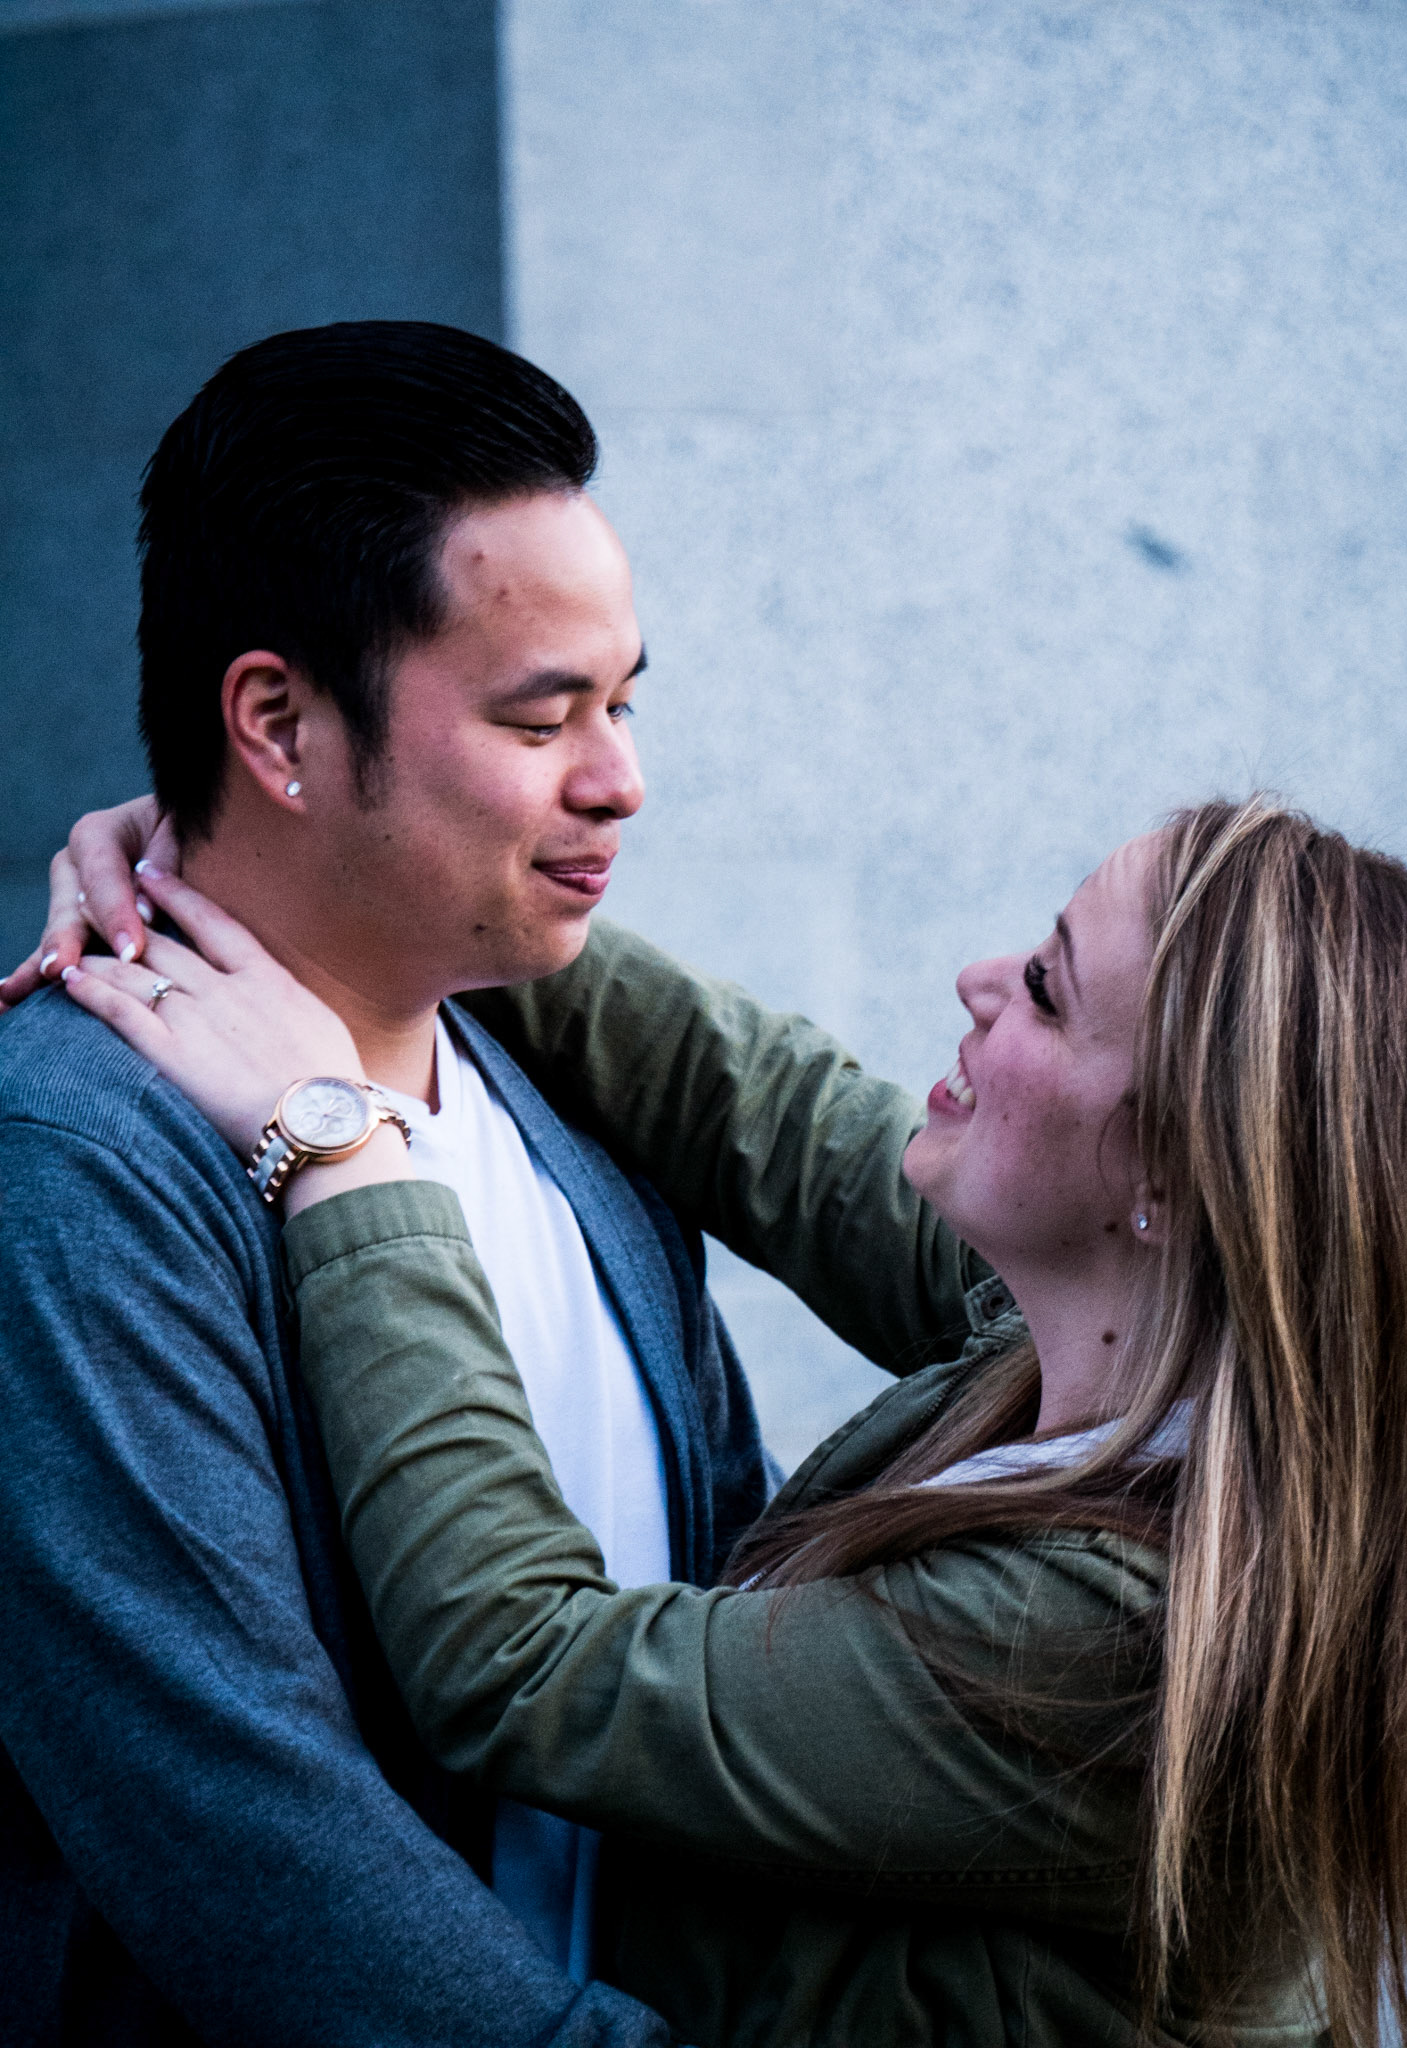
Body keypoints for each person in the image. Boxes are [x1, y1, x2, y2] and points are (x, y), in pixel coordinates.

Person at [44, 797, 1407, 2046]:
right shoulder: (1141, 1354)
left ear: (1164, 1181)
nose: (977, 978)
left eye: (1045, 988)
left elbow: (524, 1662)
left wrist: (346, 1152)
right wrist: (351, 863)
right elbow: (769, 1112)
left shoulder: (1134, 1642)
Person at [0, 322, 777, 2046]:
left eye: (624, 703)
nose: (620, 780)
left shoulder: (571, 1113)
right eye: (541, 716)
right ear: (278, 723)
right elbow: (245, 1833)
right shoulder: (75, 1160)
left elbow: (730, 1632)